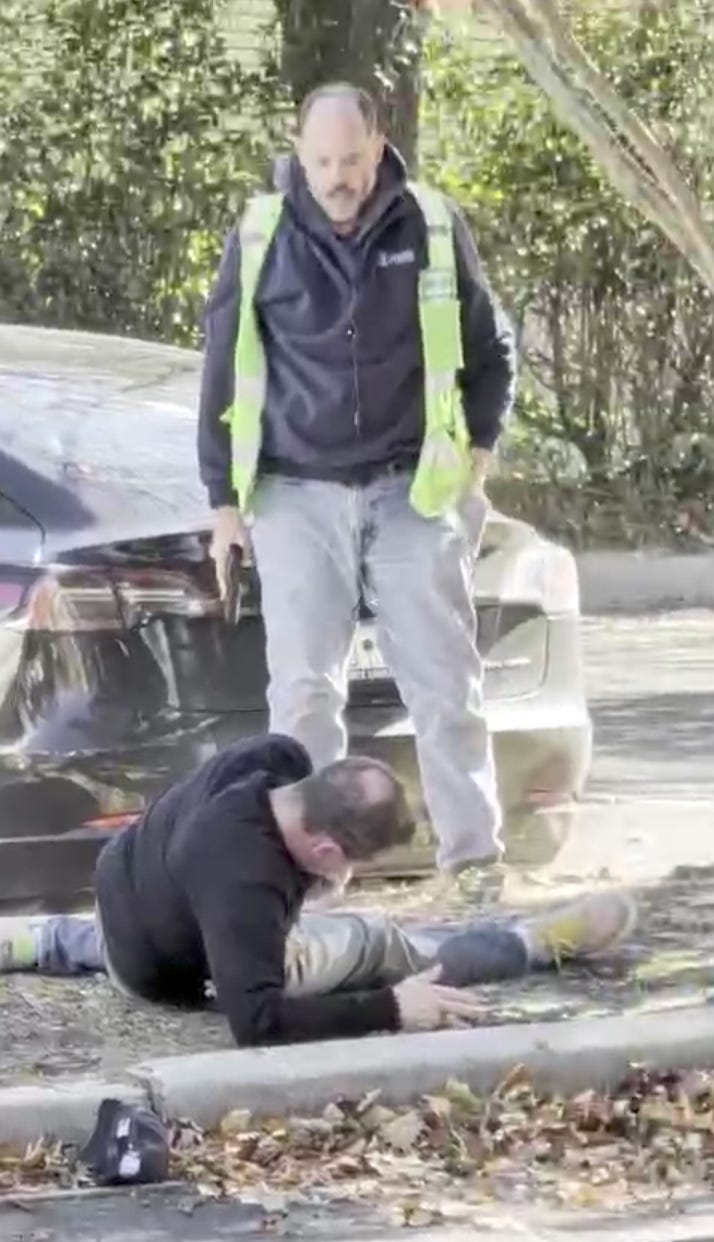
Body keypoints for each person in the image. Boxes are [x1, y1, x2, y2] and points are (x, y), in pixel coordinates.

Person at [197, 81, 518, 886]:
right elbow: (221, 371)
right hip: (294, 494)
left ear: (378, 145)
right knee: (303, 697)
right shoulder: (261, 234)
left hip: (413, 491)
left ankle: (473, 867)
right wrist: (222, 503)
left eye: (350, 159)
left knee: (446, 685)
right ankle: (308, 881)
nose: (337, 177)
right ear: (298, 153)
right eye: (321, 162)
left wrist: (478, 455)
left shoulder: (432, 225)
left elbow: (492, 349)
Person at [0, 736, 636, 1046]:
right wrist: (391, 1009)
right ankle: (529, 943)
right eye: (350, 862)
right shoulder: (245, 886)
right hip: (160, 971)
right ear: (328, 850)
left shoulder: (271, 758)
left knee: (150, 928)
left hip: (123, 901)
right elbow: (257, 1022)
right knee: (375, 941)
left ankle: (35, 939)